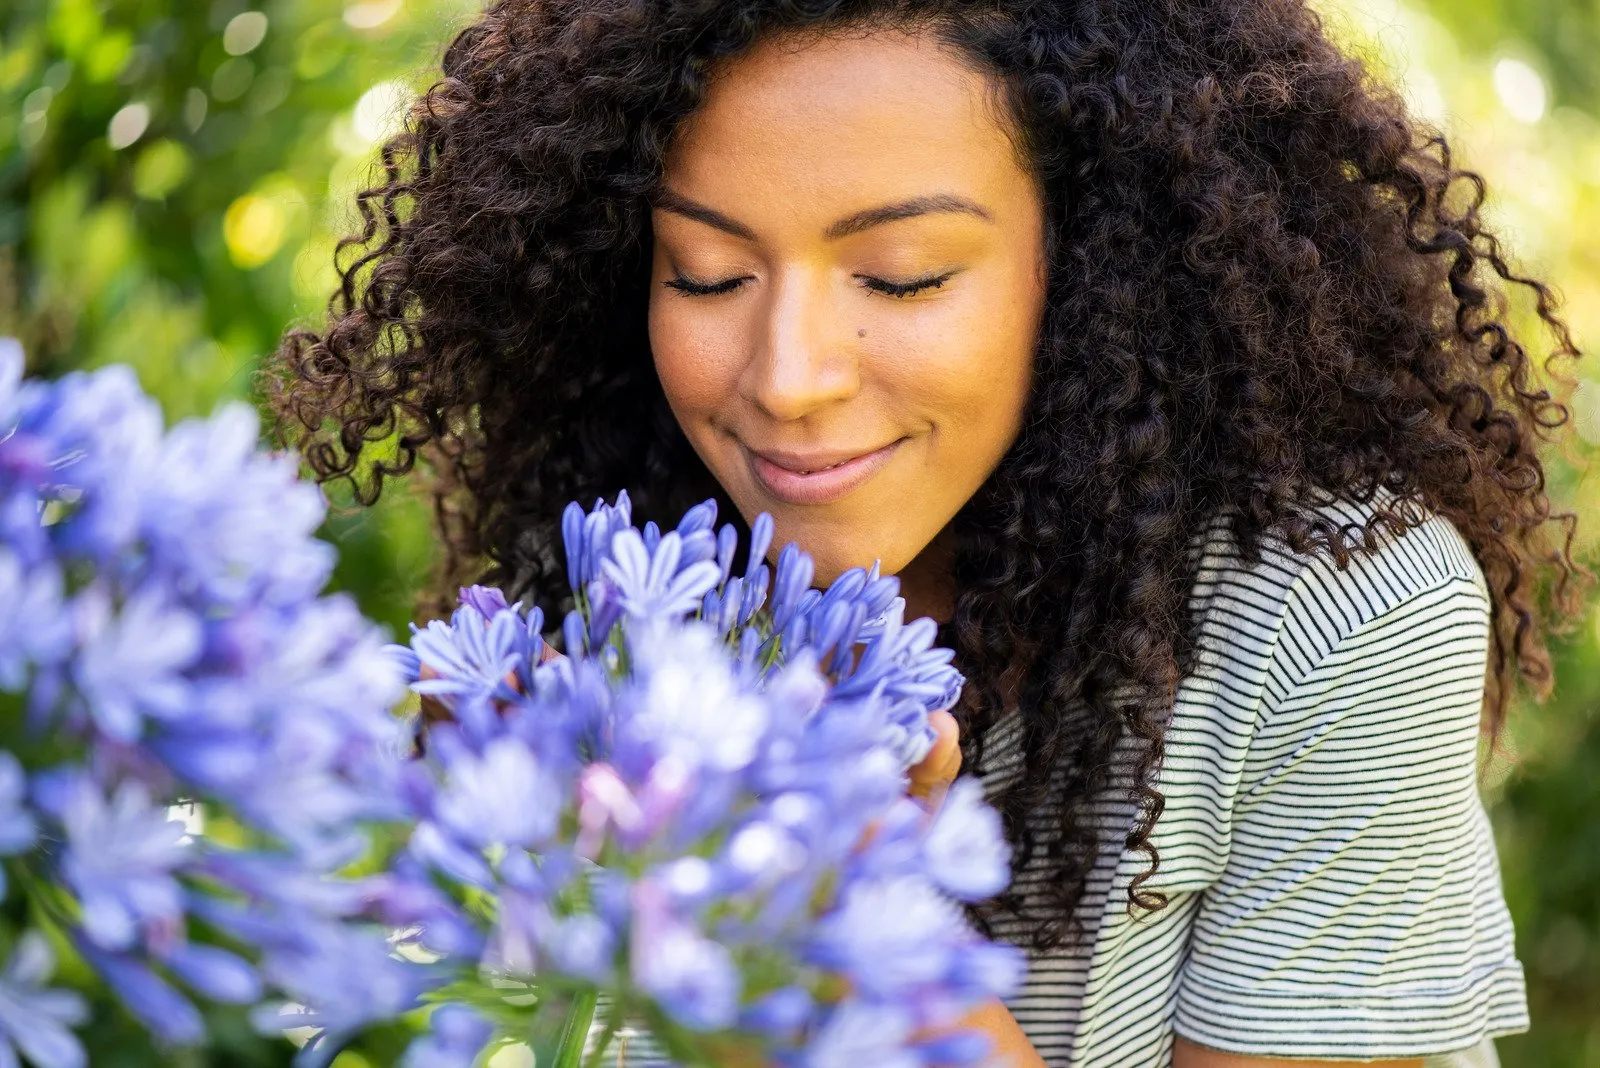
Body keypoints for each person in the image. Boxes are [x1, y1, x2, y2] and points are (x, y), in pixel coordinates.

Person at [269, 1, 1587, 1064]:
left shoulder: (1342, 616)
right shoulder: (653, 578)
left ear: (1086, 266)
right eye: (708, 274)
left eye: (902, 276)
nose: (787, 377)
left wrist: (847, 911)